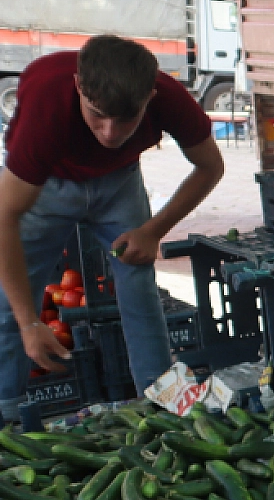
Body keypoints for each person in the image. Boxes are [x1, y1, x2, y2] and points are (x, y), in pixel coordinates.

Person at [0, 35, 223, 422]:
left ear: (150, 96)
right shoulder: (46, 103)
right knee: (9, 303)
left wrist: (154, 229)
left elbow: (211, 166)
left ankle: (161, 407)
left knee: (139, 287)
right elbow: (4, 217)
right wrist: (30, 323)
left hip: (119, 182)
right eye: (97, 114)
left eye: (126, 119)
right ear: (78, 88)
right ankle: (7, 415)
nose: (108, 132)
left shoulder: (169, 98)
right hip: (48, 185)